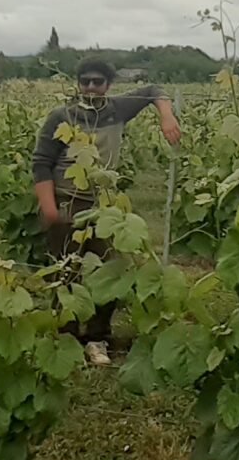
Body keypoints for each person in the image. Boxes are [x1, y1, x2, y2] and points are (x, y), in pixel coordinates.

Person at [32, 58, 181, 366]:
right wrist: (48, 208)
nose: (90, 87)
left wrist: (166, 116)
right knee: (66, 274)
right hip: (67, 201)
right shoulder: (62, 116)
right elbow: (41, 162)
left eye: (97, 82)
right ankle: (67, 339)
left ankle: (97, 338)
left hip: (104, 206)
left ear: (108, 86)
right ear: (77, 83)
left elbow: (154, 90)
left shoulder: (117, 109)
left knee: (110, 272)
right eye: (84, 81)